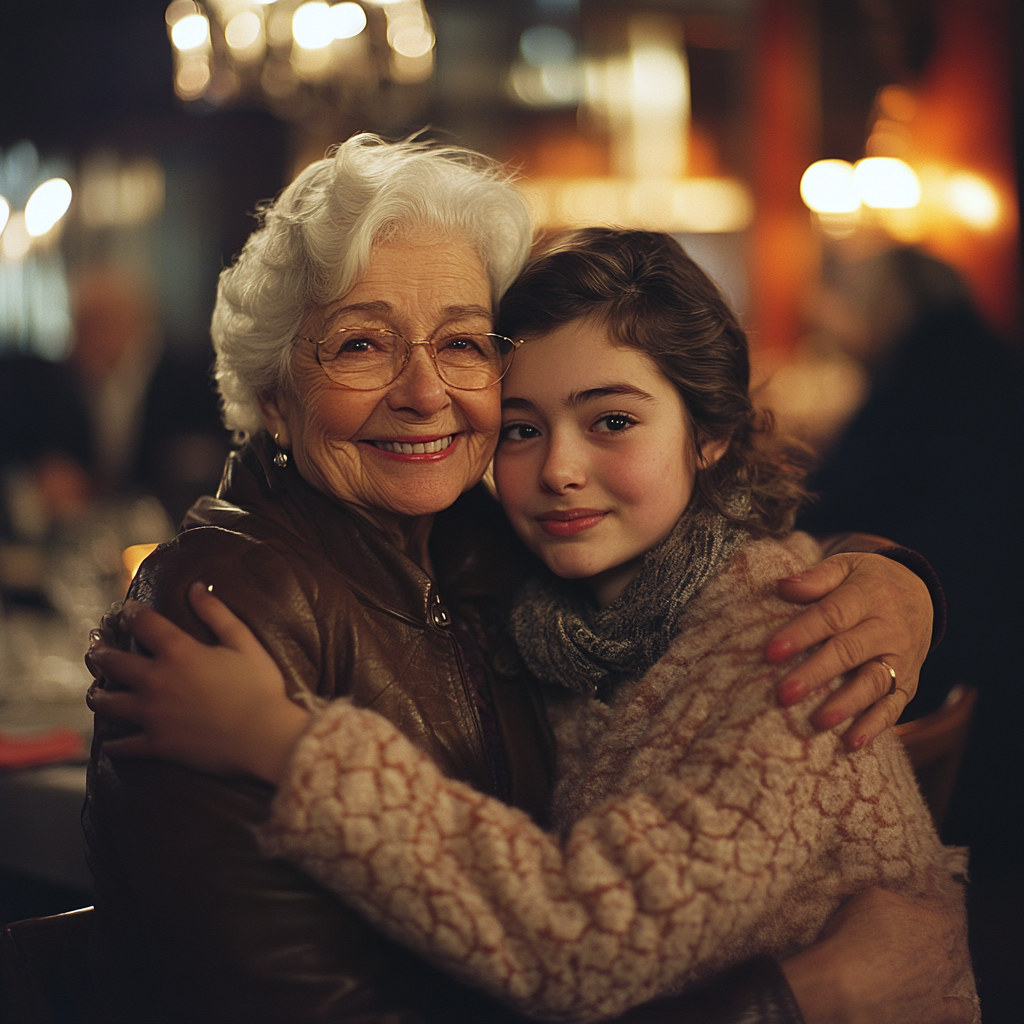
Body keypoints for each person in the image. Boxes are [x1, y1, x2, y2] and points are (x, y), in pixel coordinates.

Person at [84, 137, 955, 1023]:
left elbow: (717, 585)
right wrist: (798, 999)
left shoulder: (524, 560)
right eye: (360, 344)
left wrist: (893, 577)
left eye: (462, 343)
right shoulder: (223, 610)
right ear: (275, 393)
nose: (425, 391)